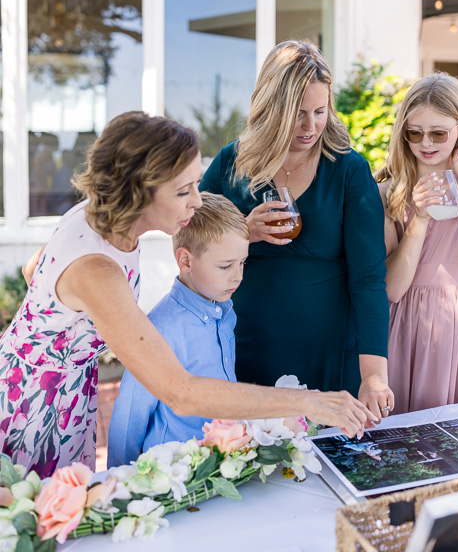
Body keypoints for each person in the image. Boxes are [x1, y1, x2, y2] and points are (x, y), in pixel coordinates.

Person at [0, 111, 374, 478]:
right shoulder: (97, 272)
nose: (196, 200)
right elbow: (180, 391)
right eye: (183, 191)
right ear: (138, 192)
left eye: (196, 183)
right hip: (32, 408)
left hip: (66, 392)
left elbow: (34, 269)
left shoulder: (94, 216)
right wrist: (312, 402)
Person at [200, 40, 393, 423]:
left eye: (320, 111)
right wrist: (242, 231)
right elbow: (187, 237)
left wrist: (373, 375)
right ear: (272, 108)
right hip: (244, 346)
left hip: (328, 351)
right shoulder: (231, 163)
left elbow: (369, 279)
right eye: (298, 114)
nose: (311, 126)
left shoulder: (348, 170)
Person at [375, 72, 458, 414]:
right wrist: (419, 218)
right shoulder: (388, 194)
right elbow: (391, 289)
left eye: (438, 133)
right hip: (407, 327)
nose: (425, 143)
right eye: (414, 133)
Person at [107, 192, 249, 466]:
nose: (238, 275)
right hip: (173, 470)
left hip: (217, 464)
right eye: (225, 266)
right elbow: (129, 414)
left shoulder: (224, 310)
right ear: (185, 261)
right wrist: (118, 478)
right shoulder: (160, 329)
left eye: (242, 263)